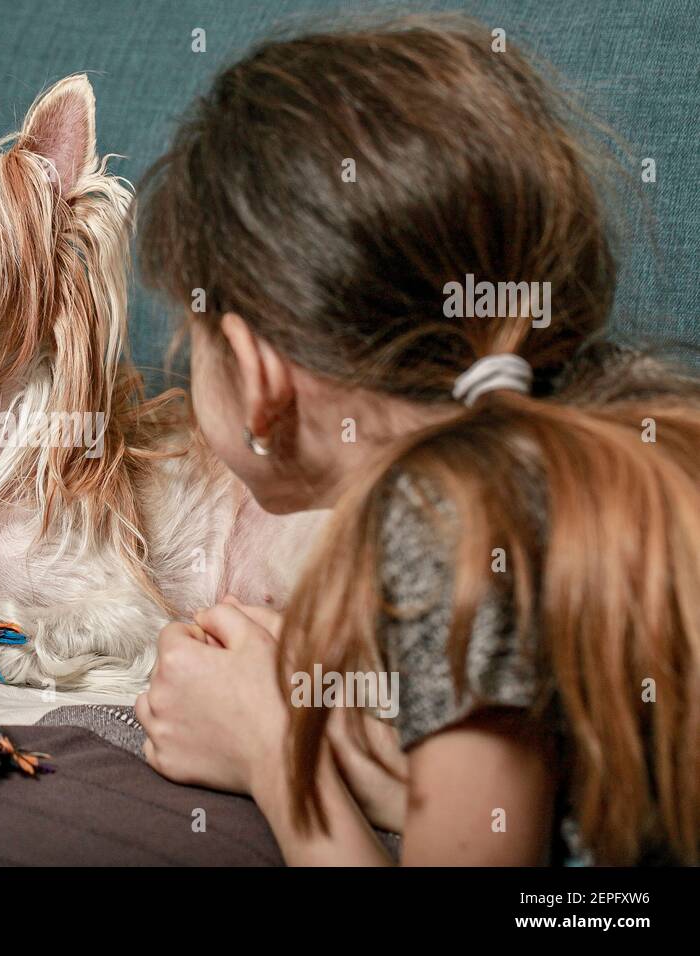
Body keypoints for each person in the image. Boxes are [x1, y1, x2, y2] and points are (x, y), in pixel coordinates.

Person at [134, 16, 700, 865]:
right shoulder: (587, 429)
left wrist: (272, 754)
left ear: (257, 378)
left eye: (191, 342)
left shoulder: (446, 528)